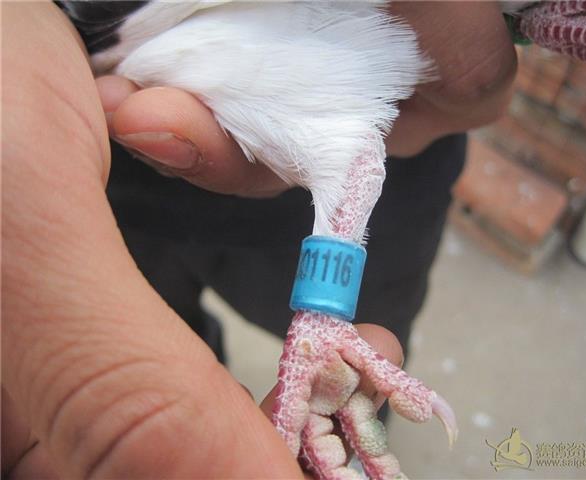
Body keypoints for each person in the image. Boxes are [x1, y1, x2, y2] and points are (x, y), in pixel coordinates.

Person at [2, 2, 516, 478]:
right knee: (174, 329)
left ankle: (340, 423)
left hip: (382, 151)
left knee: (358, 363)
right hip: (108, 153)